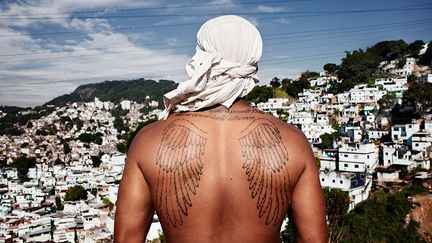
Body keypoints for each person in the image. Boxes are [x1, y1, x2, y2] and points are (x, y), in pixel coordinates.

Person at [114, 15, 328, 242]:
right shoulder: (293, 142)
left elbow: (127, 239)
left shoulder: (148, 141)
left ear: (201, 59)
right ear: (252, 64)